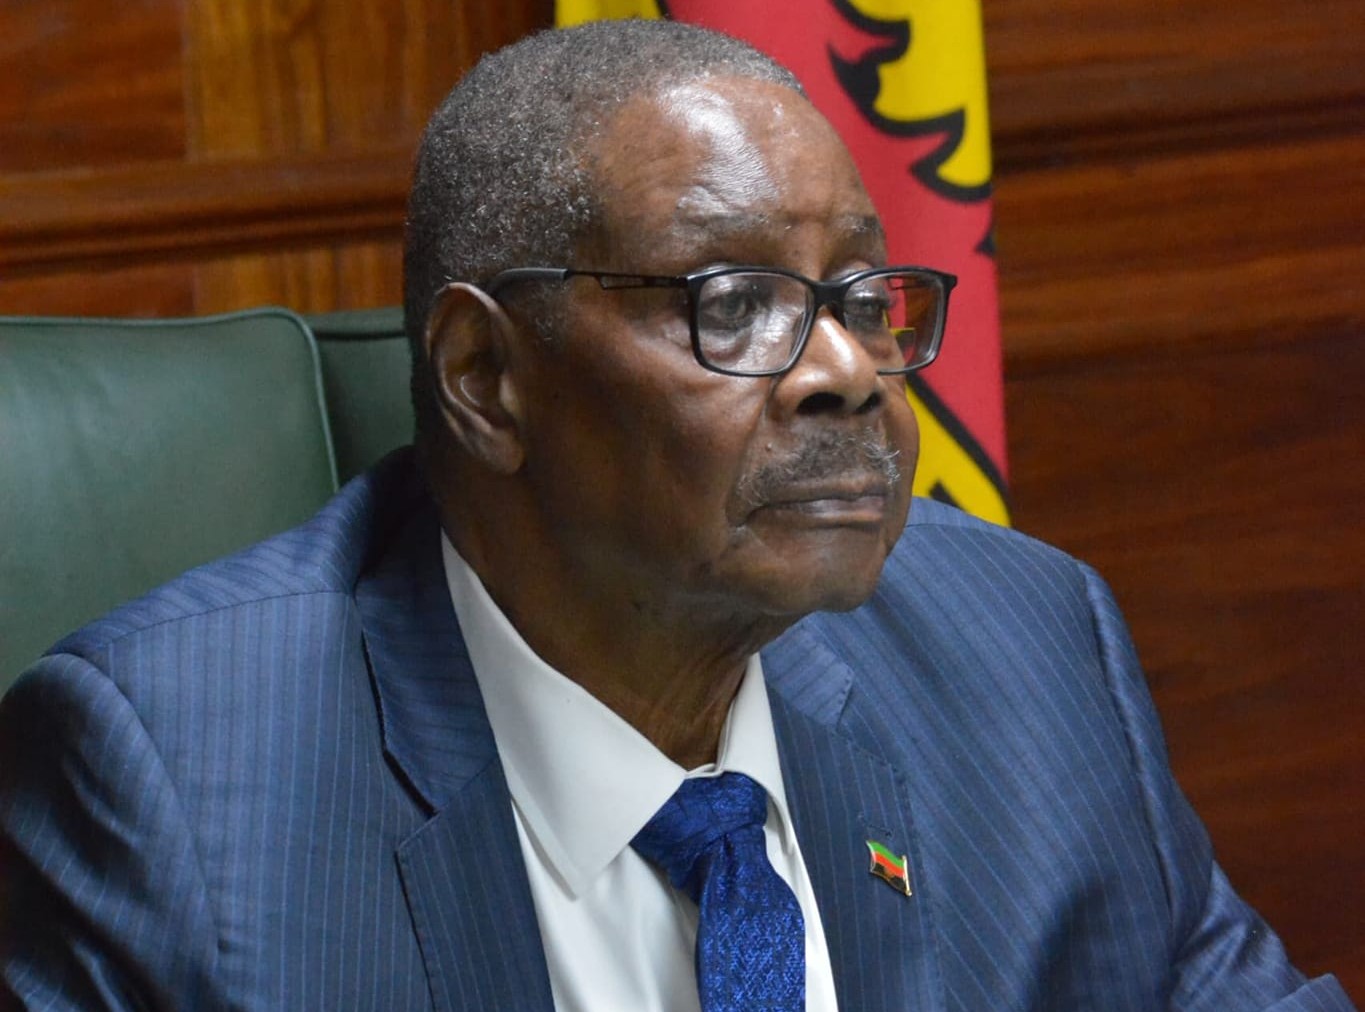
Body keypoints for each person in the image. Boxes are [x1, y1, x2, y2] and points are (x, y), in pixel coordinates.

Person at [0, 19, 1353, 1012]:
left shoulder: (1025, 646)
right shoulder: (176, 784)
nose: (845, 371)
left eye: (863, 298)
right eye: (735, 304)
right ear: (485, 378)